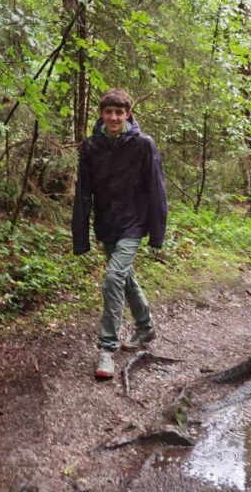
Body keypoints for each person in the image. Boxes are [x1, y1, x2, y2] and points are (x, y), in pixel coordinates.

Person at [72, 88, 167, 380]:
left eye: (119, 112)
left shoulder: (143, 145)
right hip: (107, 224)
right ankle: (146, 326)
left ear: (128, 114)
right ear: (102, 114)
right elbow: (83, 193)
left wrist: (157, 231)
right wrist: (81, 235)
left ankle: (107, 348)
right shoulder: (90, 147)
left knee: (113, 277)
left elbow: (156, 189)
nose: (113, 117)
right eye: (109, 112)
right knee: (124, 277)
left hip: (134, 223)